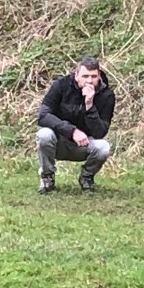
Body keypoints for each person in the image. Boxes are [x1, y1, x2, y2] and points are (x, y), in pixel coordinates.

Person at [36, 55, 116, 194]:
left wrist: (89, 105)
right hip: (59, 141)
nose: (89, 81)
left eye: (93, 76)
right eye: (85, 76)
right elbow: (43, 116)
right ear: (76, 75)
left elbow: (100, 132)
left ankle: (86, 177)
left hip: (84, 144)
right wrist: (72, 131)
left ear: (98, 76)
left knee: (103, 147)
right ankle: (47, 177)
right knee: (44, 135)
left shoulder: (106, 95)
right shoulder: (61, 85)